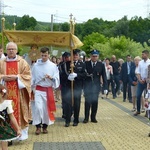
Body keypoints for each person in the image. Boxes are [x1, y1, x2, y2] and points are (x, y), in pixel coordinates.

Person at [0, 42, 31, 141]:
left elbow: (28, 76)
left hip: (19, 93)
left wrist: (17, 77)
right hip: (3, 93)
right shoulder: (1, 62)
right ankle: (6, 134)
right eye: (9, 49)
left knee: (18, 111)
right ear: (6, 50)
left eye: (13, 49)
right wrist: (3, 77)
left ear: (16, 50)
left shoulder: (22, 62)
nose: (11, 51)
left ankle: (19, 134)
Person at [31, 47, 60, 135]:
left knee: (46, 109)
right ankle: (37, 126)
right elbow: (32, 78)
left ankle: (45, 126)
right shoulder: (36, 66)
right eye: (42, 55)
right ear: (40, 54)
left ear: (49, 55)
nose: (44, 57)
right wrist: (30, 88)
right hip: (39, 90)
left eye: (45, 55)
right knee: (38, 108)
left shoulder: (53, 66)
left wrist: (51, 78)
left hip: (48, 90)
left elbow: (57, 78)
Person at [60, 49, 86, 127]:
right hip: (68, 87)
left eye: (76, 55)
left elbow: (84, 74)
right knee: (68, 104)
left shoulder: (82, 64)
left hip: (77, 87)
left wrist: (77, 75)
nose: (75, 56)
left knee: (77, 104)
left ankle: (76, 120)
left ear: (78, 56)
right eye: (73, 55)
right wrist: (68, 77)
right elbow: (62, 75)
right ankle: (67, 120)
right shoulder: (66, 64)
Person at [83, 50, 108, 123]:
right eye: (93, 56)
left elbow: (104, 76)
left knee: (95, 102)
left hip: (96, 86)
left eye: (96, 56)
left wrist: (105, 87)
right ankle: (86, 118)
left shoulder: (101, 65)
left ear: (98, 57)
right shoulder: (86, 64)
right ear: (91, 56)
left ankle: (93, 117)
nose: (94, 58)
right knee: (87, 102)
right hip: (87, 86)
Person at [0, 84, 21, 150]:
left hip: (4, 128)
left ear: (2, 94)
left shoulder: (7, 104)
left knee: (4, 147)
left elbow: (12, 117)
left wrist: (18, 129)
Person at [134, 50, 150, 116]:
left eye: (143, 54)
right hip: (141, 81)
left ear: (147, 54)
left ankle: (147, 111)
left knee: (147, 98)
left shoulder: (149, 62)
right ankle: (138, 110)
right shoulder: (140, 62)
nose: (142, 55)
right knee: (138, 95)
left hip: (147, 82)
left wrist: (147, 80)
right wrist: (140, 79)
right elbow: (138, 72)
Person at [58, 52, 71, 119]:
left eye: (68, 57)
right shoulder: (61, 65)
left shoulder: (72, 64)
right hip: (64, 84)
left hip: (71, 85)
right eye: (65, 57)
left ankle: (70, 112)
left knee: (70, 100)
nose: (67, 58)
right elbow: (62, 73)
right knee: (64, 100)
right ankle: (64, 113)